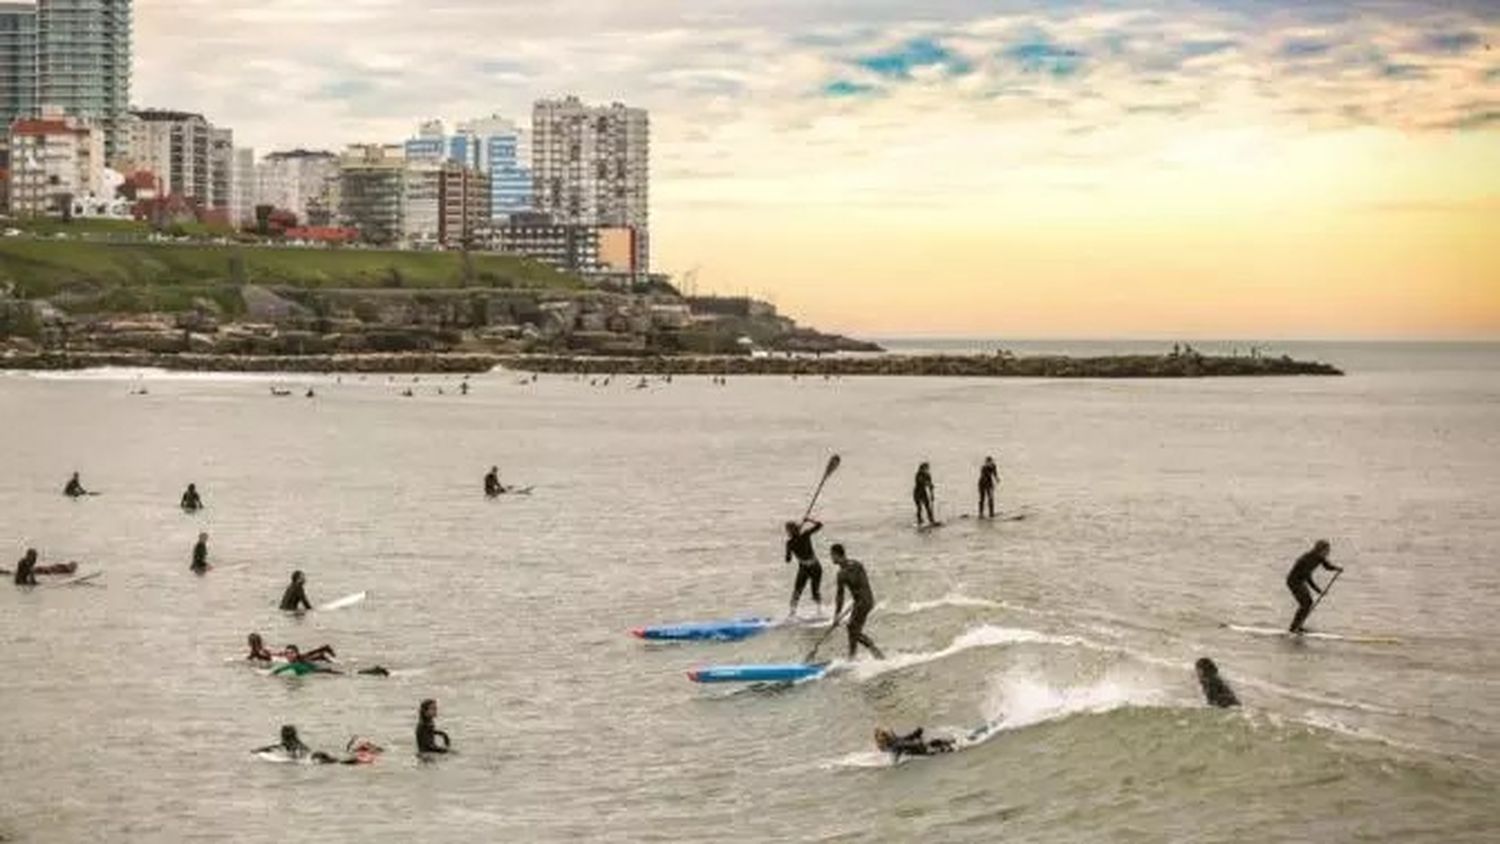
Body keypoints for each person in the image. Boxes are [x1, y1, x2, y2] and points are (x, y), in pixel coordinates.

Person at [831, 544, 885, 660]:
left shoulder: (845, 572)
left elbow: (841, 595)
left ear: (836, 554)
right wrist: (837, 615)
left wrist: (837, 615)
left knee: (852, 628)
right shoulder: (855, 565)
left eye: (832, 555)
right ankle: (852, 656)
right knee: (852, 628)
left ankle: (873, 650)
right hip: (865, 600)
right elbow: (840, 596)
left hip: (863, 602)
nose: (831, 558)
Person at [1285, 540, 1343, 634]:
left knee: (1308, 603)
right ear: (1320, 550)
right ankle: (1294, 628)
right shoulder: (1306, 559)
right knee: (1305, 603)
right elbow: (1308, 578)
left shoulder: (1319, 557)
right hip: (1293, 581)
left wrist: (1337, 569)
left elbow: (1327, 566)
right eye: (1327, 551)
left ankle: (1298, 626)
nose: (1328, 553)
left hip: (1301, 581)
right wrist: (1318, 591)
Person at [784, 518, 824, 617]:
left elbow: (820, 525)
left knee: (814, 592)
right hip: (804, 569)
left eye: (788, 530)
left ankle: (819, 611)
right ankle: (792, 613)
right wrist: (809, 520)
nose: (787, 532)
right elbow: (819, 525)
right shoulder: (793, 541)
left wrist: (809, 520)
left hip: (815, 567)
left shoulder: (802, 536)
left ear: (791, 530)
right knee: (797, 591)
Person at [874, 727, 956, 760]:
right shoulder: (893, 746)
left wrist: (915, 733)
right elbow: (904, 744)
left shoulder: (894, 741)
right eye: (887, 733)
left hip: (921, 748)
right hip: (924, 751)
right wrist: (917, 741)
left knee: (937, 742)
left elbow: (905, 738)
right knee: (937, 743)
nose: (890, 733)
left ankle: (957, 742)